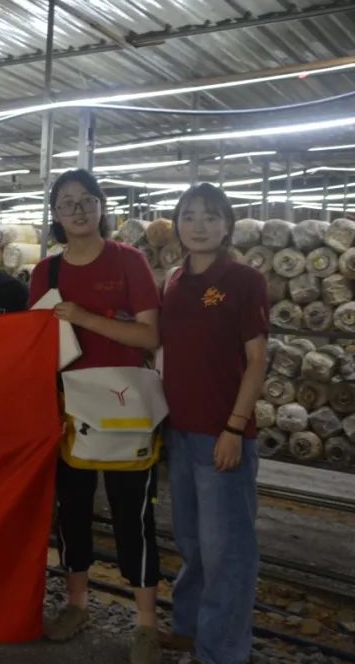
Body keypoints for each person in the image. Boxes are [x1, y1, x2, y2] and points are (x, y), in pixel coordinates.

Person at [27, 169, 161, 664]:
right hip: (67, 409)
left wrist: (83, 317)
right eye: (67, 202)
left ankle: (146, 624)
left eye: (87, 200)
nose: (78, 210)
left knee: (133, 513)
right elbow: (36, 342)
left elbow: (149, 336)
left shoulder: (129, 262)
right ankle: (77, 603)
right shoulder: (46, 273)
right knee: (72, 510)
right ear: (56, 214)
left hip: (125, 404)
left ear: (102, 206)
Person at [161, 183, 268, 664]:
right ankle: (188, 628)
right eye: (188, 215)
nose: (198, 225)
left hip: (221, 433)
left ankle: (221, 651)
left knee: (228, 551)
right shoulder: (173, 280)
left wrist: (234, 428)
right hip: (180, 431)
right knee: (192, 542)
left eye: (209, 215)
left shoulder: (244, 280)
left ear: (227, 225)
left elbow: (257, 360)